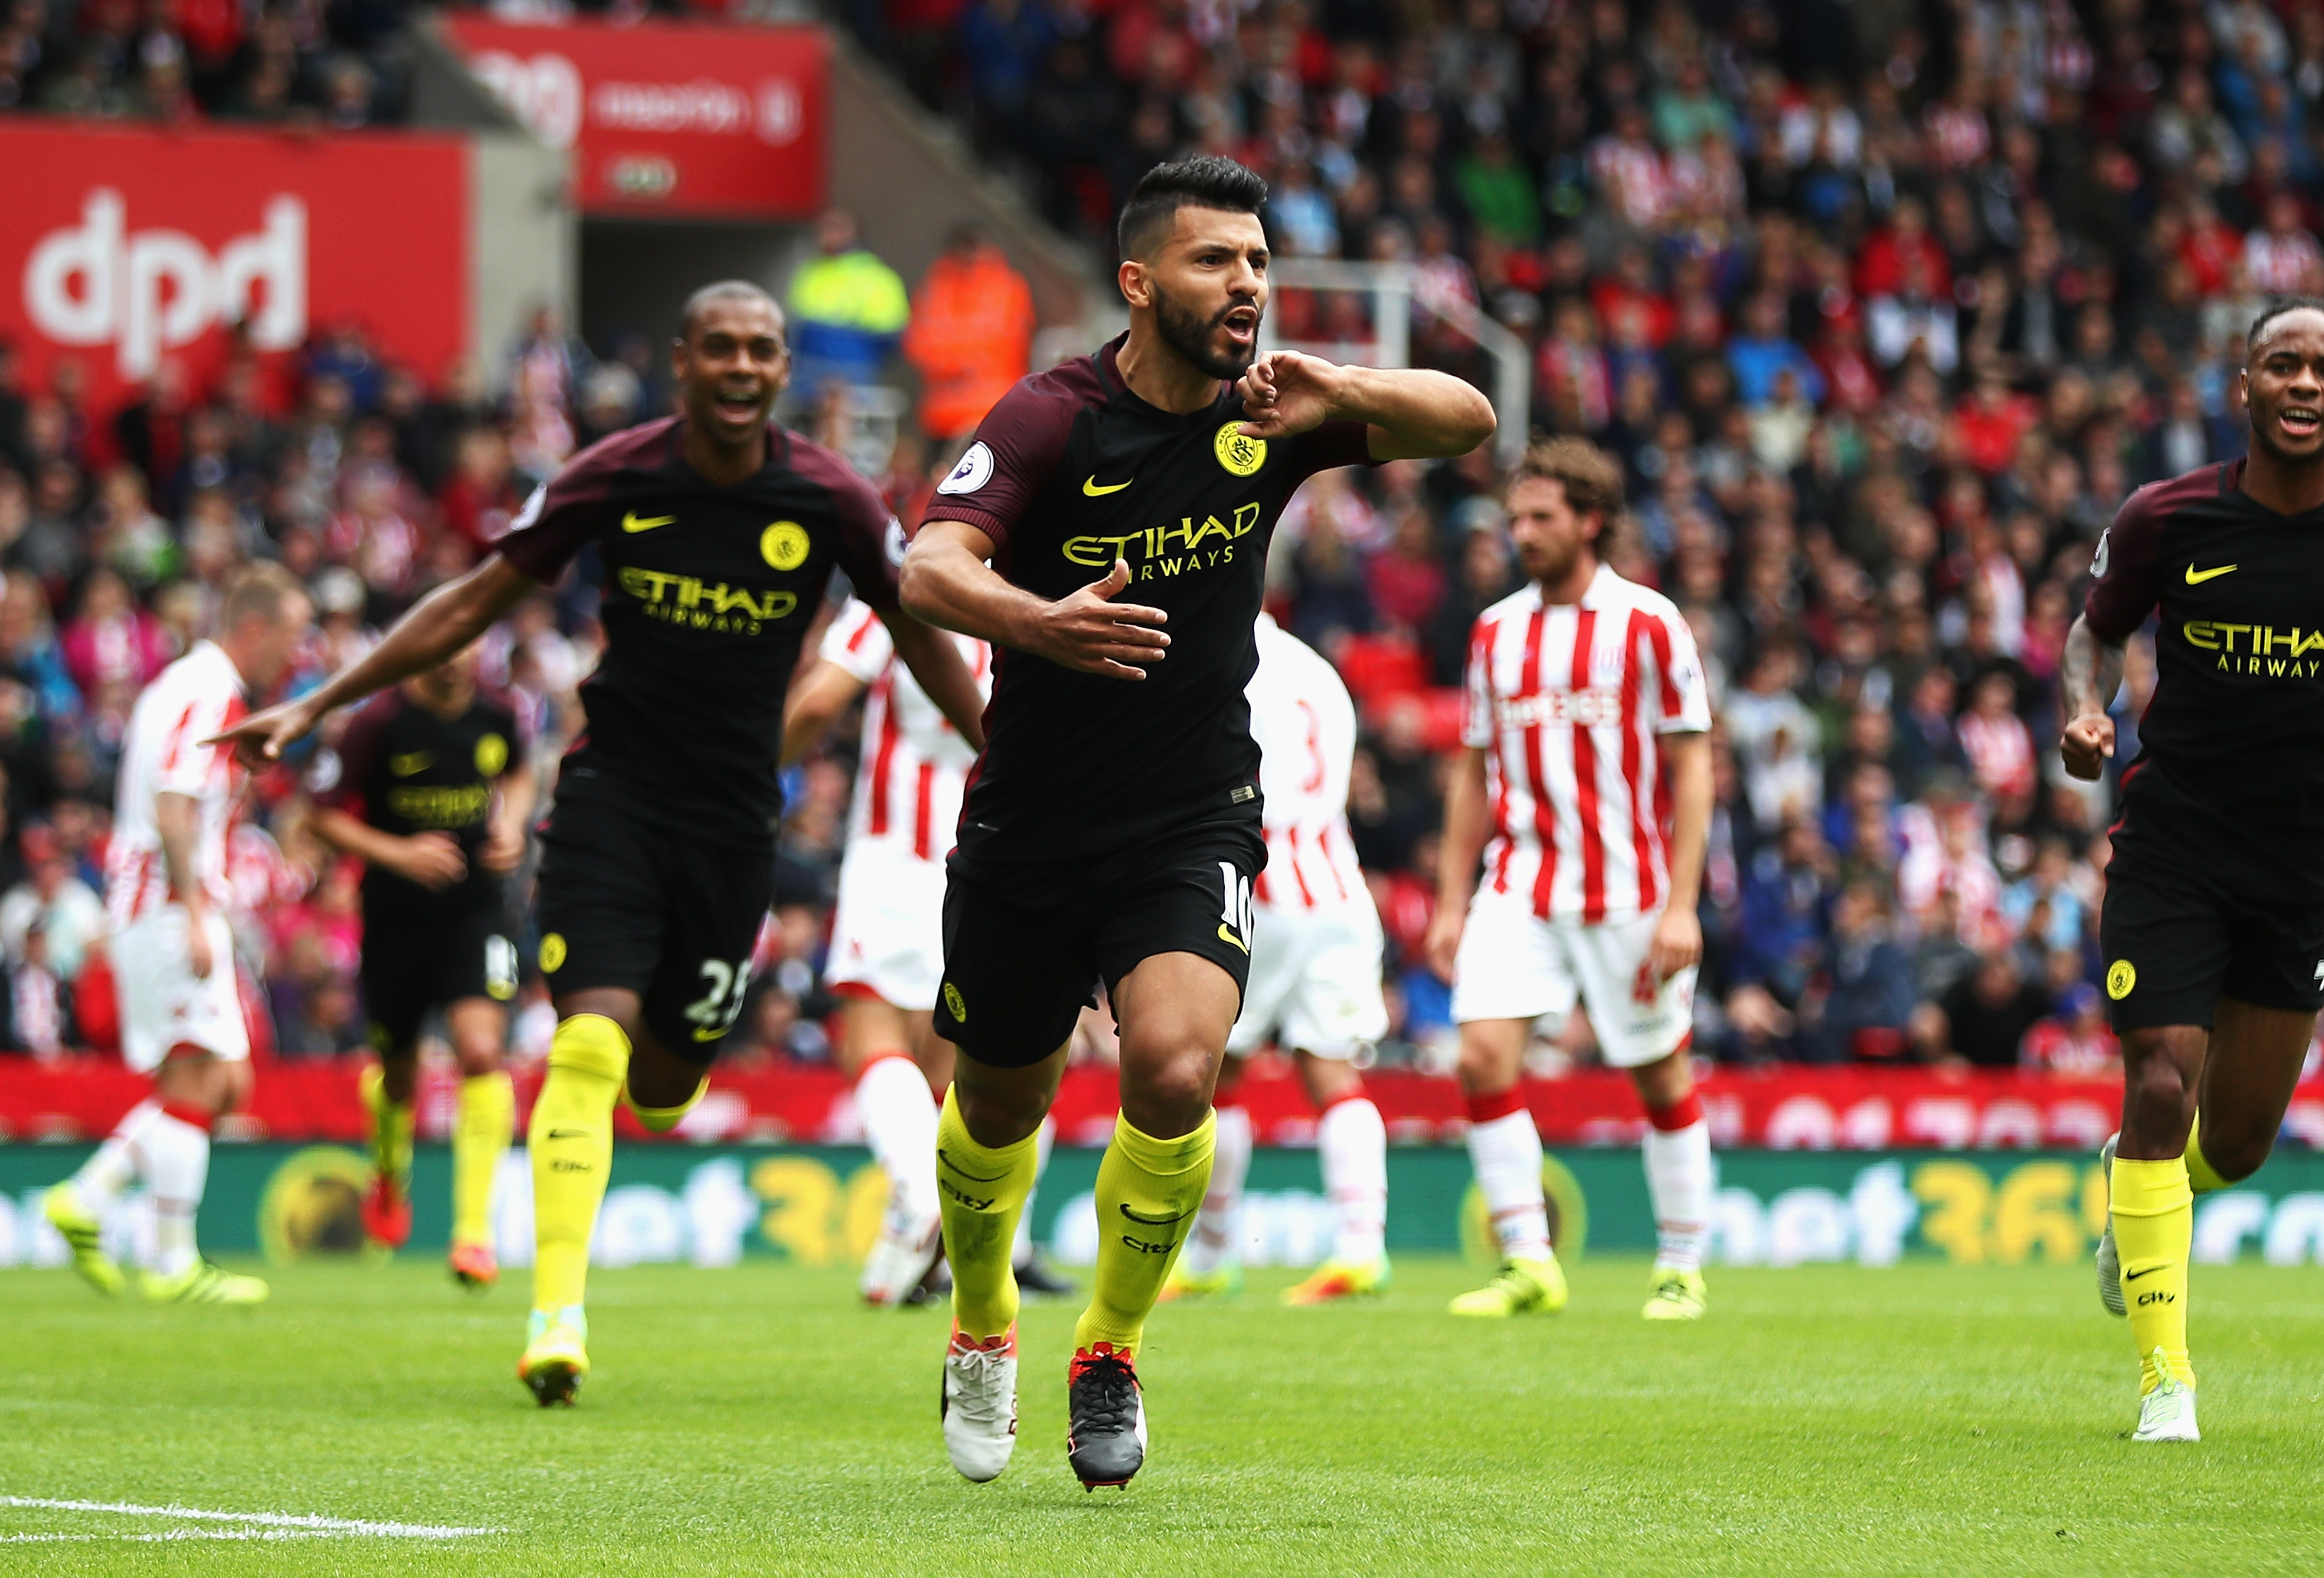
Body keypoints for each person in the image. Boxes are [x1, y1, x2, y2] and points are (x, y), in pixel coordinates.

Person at [214, 281, 986, 1406]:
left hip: (731, 831)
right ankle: (556, 1316)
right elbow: (476, 598)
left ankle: (628, 1133)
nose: (738, 365)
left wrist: (1000, 750)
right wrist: (317, 702)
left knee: (667, 1086)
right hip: (610, 803)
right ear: (680, 361)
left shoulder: (828, 493)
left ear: (781, 371)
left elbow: (918, 630)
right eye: (716, 345)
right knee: (588, 1040)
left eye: (759, 350)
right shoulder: (615, 474)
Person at [898, 155, 1492, 1489]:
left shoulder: (1273, 412)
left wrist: (1346, 393)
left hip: (1192, 818)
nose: (1248, 285)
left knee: (1173, 1068)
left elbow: (1468, 419)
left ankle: (1107, 1350)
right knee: (1001, 1103)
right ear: (1139, 281)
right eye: (1217, 261)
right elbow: (929, 563)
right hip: (1030, 827)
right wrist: (1039, 621)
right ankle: (983, 1319)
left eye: (1259, 262)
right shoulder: (1053, 417)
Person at [2061, 296, 2324, 1444]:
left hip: (2297, 859)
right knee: (2157, 1083)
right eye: (2279, 363)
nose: (2301, 383)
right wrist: (2088, 711)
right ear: (2243, 386)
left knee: (2230, 1143)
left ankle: (2138, 1202)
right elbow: (2096, 628)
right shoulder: (2165, 515)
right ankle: (2165, 1382)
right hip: (2172, 841)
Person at [1424, 437, 1718, 1324]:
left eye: (1540, 517)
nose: (1522, 533)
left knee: (1659, 1075)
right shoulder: (1494, 630)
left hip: (1628, 889)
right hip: (1519, 884)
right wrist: (1448, 902)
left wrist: (1682, 904)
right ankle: (1527, 1261)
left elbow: (1692, 764)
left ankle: (1679, 1264)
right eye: (1515, 518)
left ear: (1590, 521)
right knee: (1479, 1058)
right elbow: (1472, 769)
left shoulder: (1648, 622)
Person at [779, 595, 1070, 1306]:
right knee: (960, 1070)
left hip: (899, 858)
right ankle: (961, 1251)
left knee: (873, 1040)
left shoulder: (900, 590)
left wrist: (745, 774)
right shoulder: (1035, 597)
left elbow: (819, 705)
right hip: (1002, 858)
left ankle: (914, 1192)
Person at [42, 564, 313, 1306]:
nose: (295, 652)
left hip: (159, 898)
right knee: (201, 1075)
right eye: (290, 634)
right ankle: (168, 1261)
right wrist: (195, 909)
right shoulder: (211, 690)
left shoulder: (180, 682)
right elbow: (173, 801)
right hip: (167, 900)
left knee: (224, 1078)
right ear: (253, 627)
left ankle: (88, 1198)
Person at [1163, 610, 1394, 1307]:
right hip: (1337, 887)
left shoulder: (1211, 649)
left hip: (1258, 888)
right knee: (1333, 1071)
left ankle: (1210, 1253)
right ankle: (1362, 1247)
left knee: (1216, 1070)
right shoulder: (1316, 668)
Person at [304, 644, 534, 1286]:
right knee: (398, 1077)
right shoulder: (375, 725)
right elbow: (317, 816)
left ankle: (474, 1235)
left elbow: (517, 774)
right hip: (397, 919)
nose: (456, 658)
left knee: (481, 1051)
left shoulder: (498, 714)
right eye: (446, 644)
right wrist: (398, 853)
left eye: (469, 644)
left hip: (478, 913)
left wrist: (511, 823)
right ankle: (388, 1171)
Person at [900, 225, 1038, 444]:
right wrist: (963, 361)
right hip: (944, 413)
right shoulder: (933, 288)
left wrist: (953, 358)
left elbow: (1011, 344)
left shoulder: (1008, 287)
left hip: (991, 409)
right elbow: (917, 345)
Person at [786, 209, 911, 395]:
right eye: (823, 228)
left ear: (854, 234)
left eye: (836, 228)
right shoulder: (810, 272)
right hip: (808, 366)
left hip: (854, 366)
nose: (826, 235)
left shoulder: (877, 276)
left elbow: (893, 335)